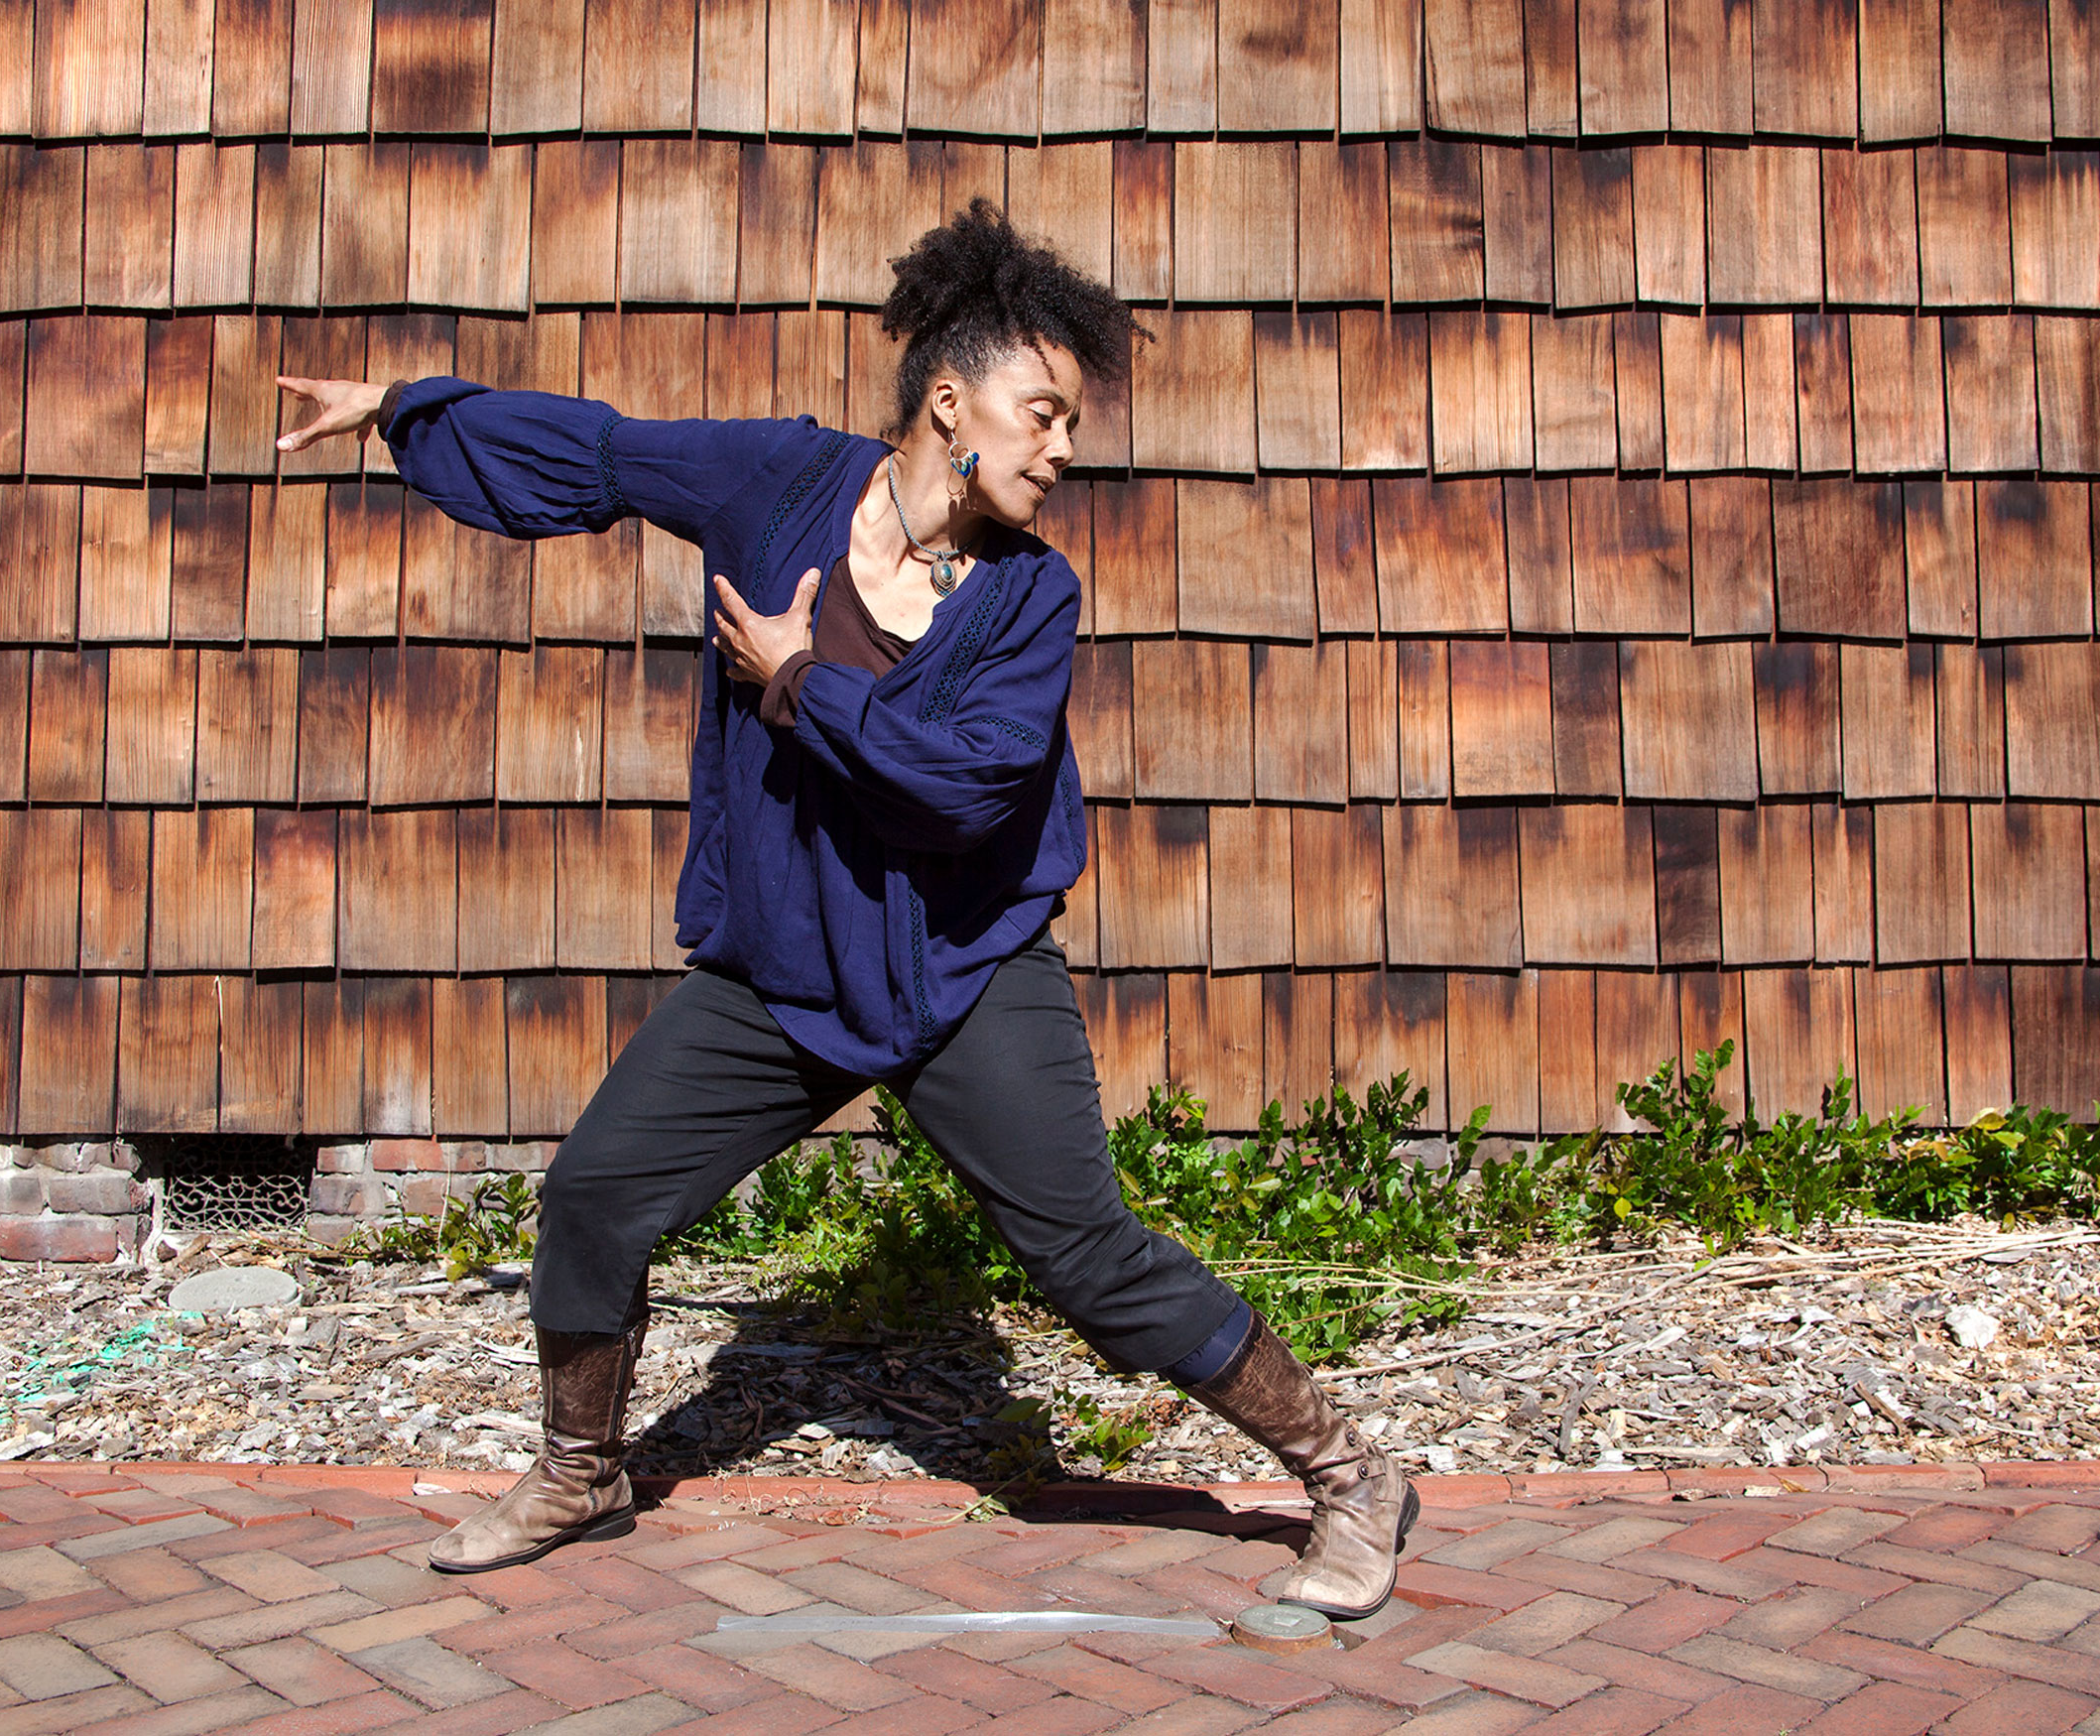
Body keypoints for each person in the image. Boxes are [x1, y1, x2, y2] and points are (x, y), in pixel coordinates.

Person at [275, 201, 1417, 1617]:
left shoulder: (1029, 602)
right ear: (951, 402)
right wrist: (404, 409)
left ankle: (1351, 1472)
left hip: (958, 972)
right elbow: (604, 454)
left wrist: (799, 679)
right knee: (594, 1195)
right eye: (1040, 414)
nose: (1062, 452)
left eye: (1068, 425)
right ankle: (580, 1466)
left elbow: (962, 790)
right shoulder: (776, 485)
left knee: (1087, 1254)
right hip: (786, 967)